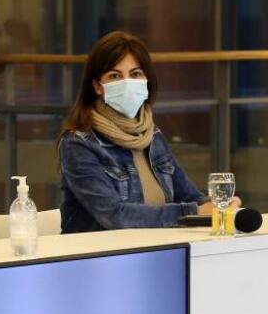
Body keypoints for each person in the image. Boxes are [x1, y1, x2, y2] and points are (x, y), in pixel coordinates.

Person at [58, 31, 237, 233]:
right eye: (115, 76)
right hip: (100, 258)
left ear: (146, 81)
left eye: (135, 74)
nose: (127, 82)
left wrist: (221, 206)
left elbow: (189, 196)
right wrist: (196, 210)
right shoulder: (78, 143)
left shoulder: (152, 136)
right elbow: (114, 215)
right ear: (98, 87)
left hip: (160, 249)